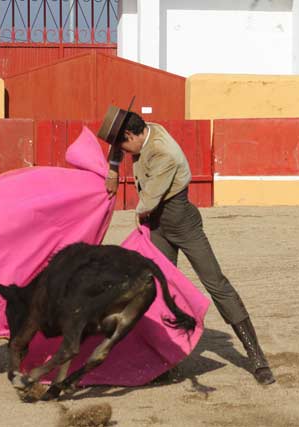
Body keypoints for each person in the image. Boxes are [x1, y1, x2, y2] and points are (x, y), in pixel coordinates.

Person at [103, 111, 275, 385]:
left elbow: (147, 202)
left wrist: (135, 215)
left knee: (216, 283)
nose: (123, 150)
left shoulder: (163, 153)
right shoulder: (143, 132)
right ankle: (167, 361)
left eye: (123, 145)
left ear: (132, 135)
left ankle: (256, 357)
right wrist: (113, 167)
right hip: (159, 225)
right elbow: (118, 144)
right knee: (158, 290)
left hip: (181, 222)